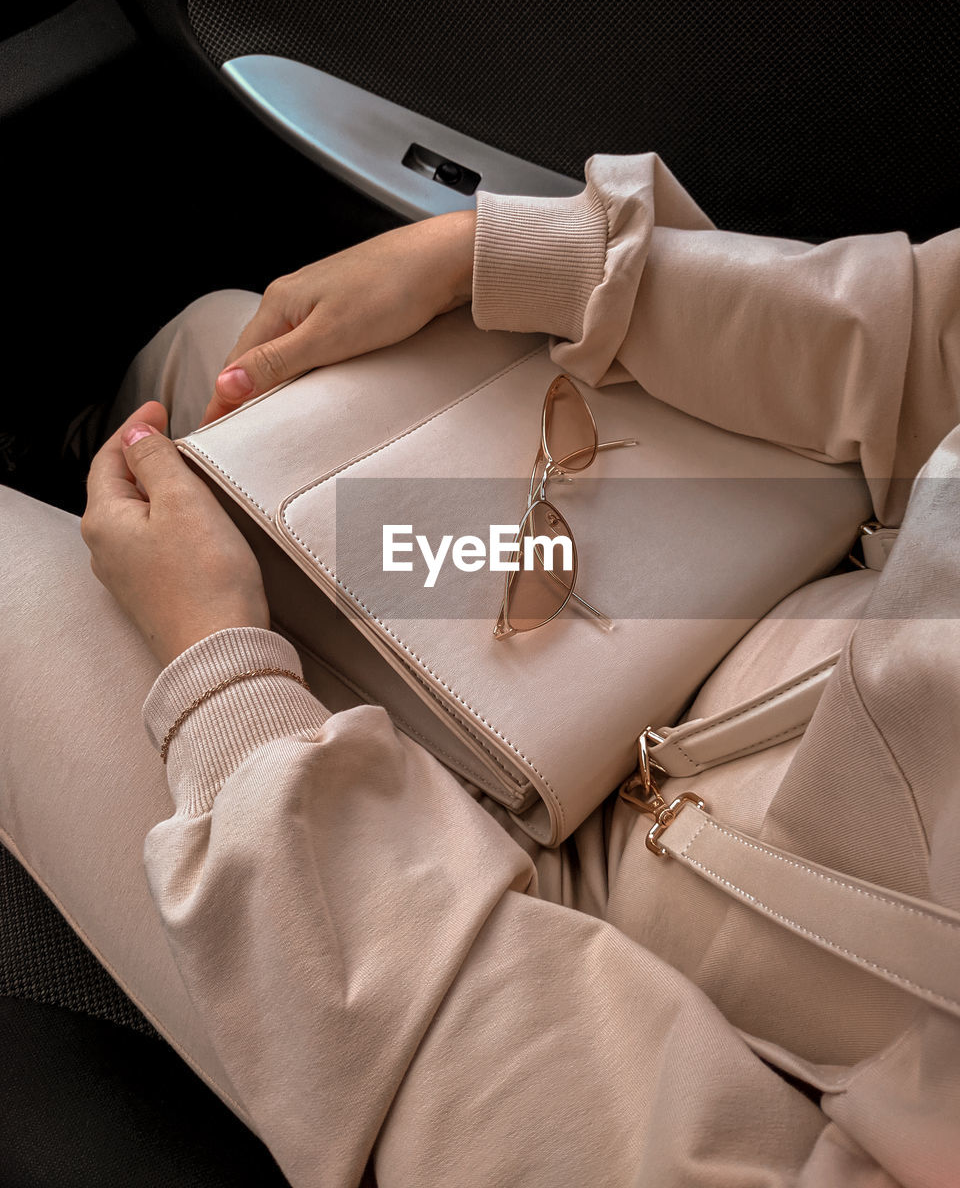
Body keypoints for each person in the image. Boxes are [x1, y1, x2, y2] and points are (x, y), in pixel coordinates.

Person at [1, 153, 959, 1187]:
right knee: (215, 343)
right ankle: (76, 456)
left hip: (561, 964)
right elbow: (933, 346)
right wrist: (499, 260)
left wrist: (226, 690)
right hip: (730, 568)